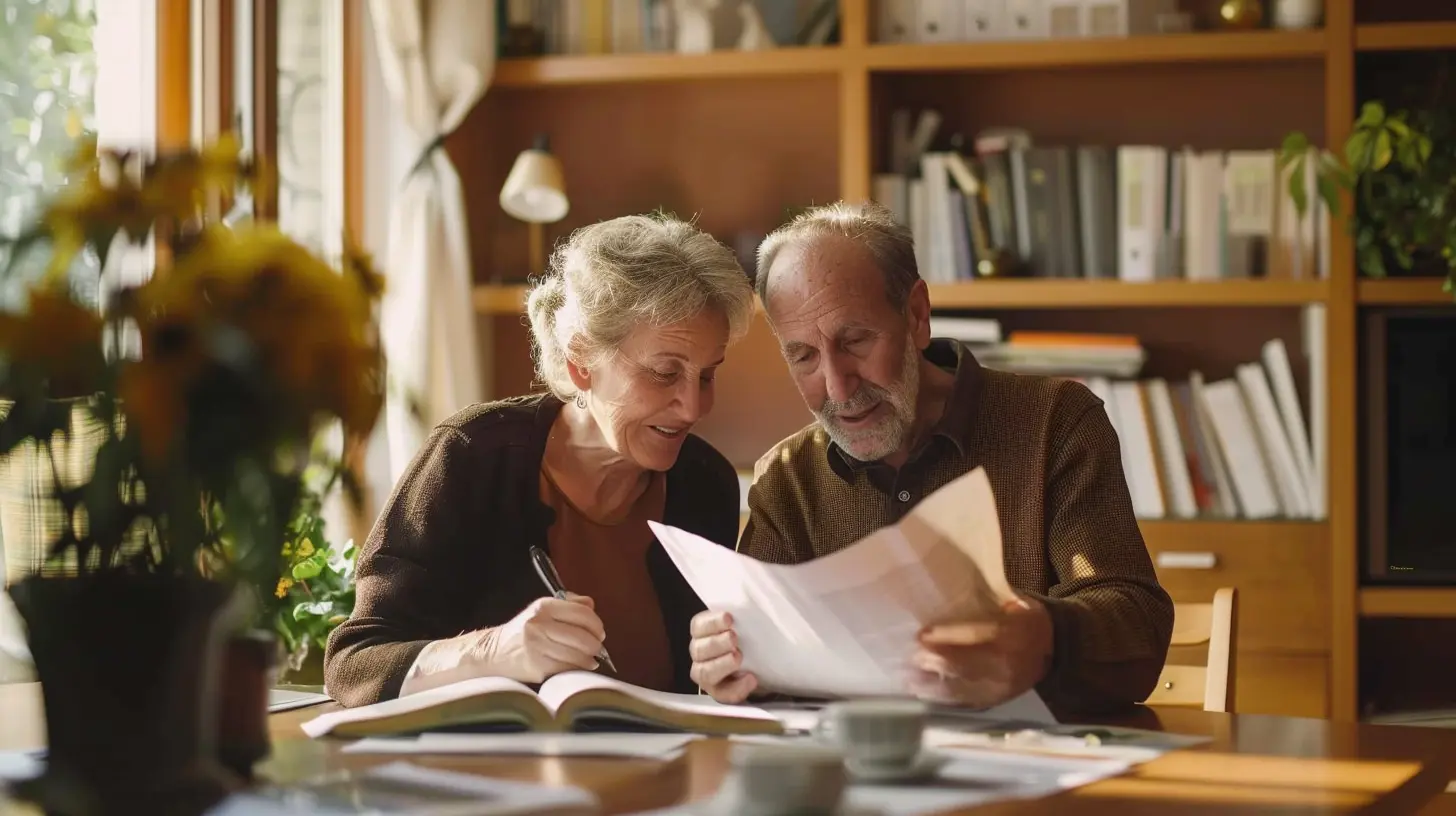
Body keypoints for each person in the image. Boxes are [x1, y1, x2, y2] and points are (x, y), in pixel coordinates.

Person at [687, 202, 1173, 715]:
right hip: (856, 780)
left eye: (855, 340)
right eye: (803, 355)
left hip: (1027, 770)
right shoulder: (787, 478)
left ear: (917, 315)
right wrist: (729, 666)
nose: (836, 385)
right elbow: (757, 667)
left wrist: (1044, 635)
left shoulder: (1055, 422)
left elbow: (1137, 625)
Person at [325, 213, 755, 706]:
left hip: (661, 777)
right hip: (492, 778)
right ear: (580, 361)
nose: (695, 406)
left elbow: (697, 685)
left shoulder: (705, 484)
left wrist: (724, 677)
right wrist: (494, 649)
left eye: (707, 375)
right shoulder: (472, 457)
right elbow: (354, 661)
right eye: (664, 373)